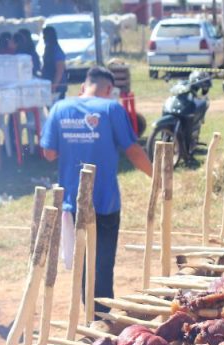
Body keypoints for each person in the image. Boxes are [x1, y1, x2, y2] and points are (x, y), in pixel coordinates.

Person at [41, 65, 152, 307]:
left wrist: (73, 141)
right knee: (102, 263)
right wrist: (156, 176)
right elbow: (132, 150)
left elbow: (49, 153)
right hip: (105, 200)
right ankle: (101, 316)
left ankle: (90, 313)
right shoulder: (112, 108)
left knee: (83, 261)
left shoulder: (60, 108)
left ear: (83, 87)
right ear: (109, 89)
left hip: (73, 200)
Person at [40, 24, 67, 101]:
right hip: (48, 83)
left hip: (58, 86)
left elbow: (60, 70)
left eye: (45, 35)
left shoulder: (57, 51)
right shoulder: (48, 49)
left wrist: (54, 85)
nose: (43, 37)